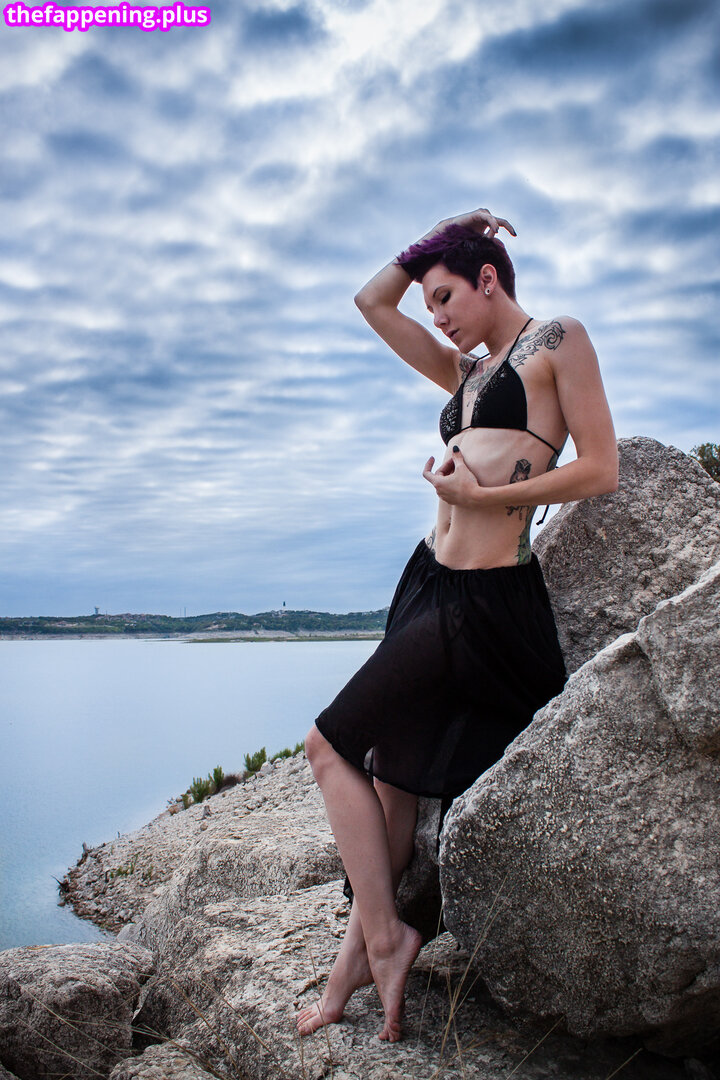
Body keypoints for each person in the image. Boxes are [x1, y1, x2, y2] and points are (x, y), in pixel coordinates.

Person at [297, 207, 618, 1043]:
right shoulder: (467, 372)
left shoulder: (556, 341)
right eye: (430, 303)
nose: (435, 315)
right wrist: (432, 238)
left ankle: (386, 938)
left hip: (483, 599)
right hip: (427, 584)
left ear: (488, 278)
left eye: (445, 297)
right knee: (391, 782)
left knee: (327, 747)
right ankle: (352, 974)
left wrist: (486, 496)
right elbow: (371, 303)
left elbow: (600, 468)